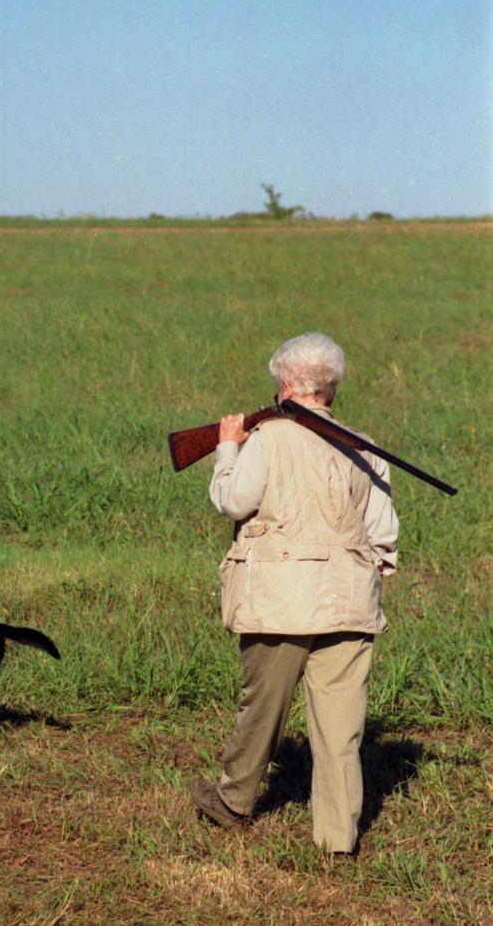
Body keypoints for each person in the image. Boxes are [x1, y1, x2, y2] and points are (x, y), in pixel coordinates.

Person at [190, 331, 399, 856]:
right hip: (350, 603)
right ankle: (338, 840)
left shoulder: (269, 438)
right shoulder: (364, 445)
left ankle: (233, 803)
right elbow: (383, 533)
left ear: (285, 384)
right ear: (331, 387)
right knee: (341, 730)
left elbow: (232, 501)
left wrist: (228, 447)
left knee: (261, 712)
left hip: (278, 601)